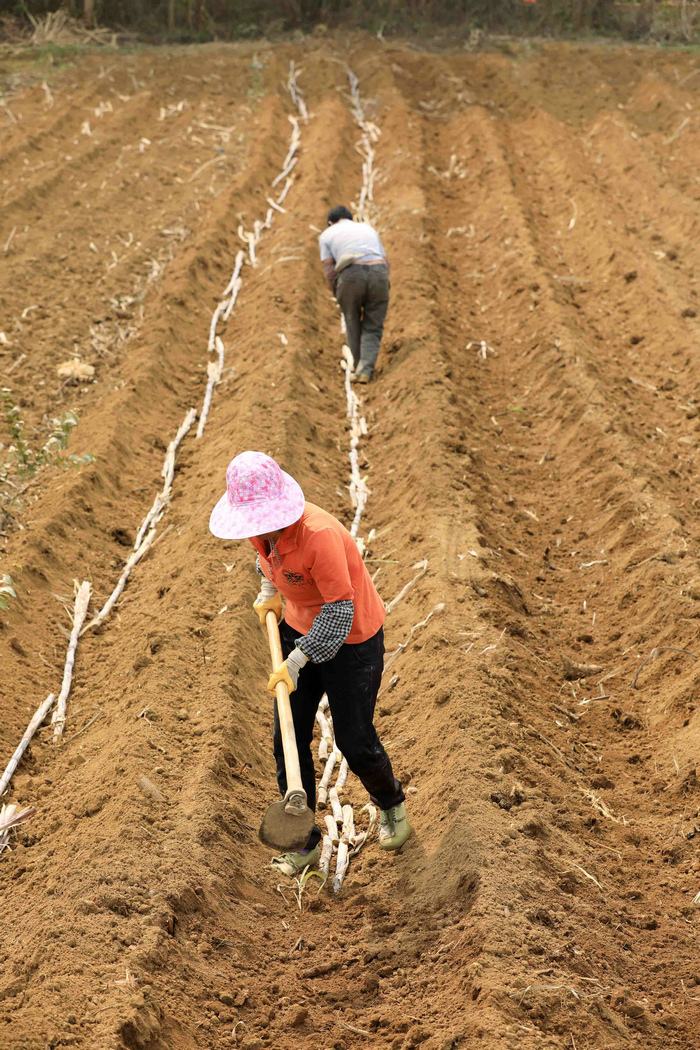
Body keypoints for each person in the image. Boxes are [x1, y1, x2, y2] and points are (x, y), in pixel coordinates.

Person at [209, 450, 411, 875]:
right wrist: (269, 590)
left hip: (353, 638)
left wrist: (298, 661)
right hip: (298, 626)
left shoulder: (319, 536)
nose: (258, 531)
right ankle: (304, 841)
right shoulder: (261, 531)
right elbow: (266, 558)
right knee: (288, 737)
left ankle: (390, 802)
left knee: (355, 739)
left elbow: (338, 613)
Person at [319, 205, 390, 384]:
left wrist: (337, 292)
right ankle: (365, 370)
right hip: (378, 272)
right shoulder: (367, 228)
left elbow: (329, 269)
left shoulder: (327, 234)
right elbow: (385, 259)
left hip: (350, 275)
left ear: (330, 222)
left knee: (352, 320)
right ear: (351, 218)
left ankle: (357, 366)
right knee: (373, 325)